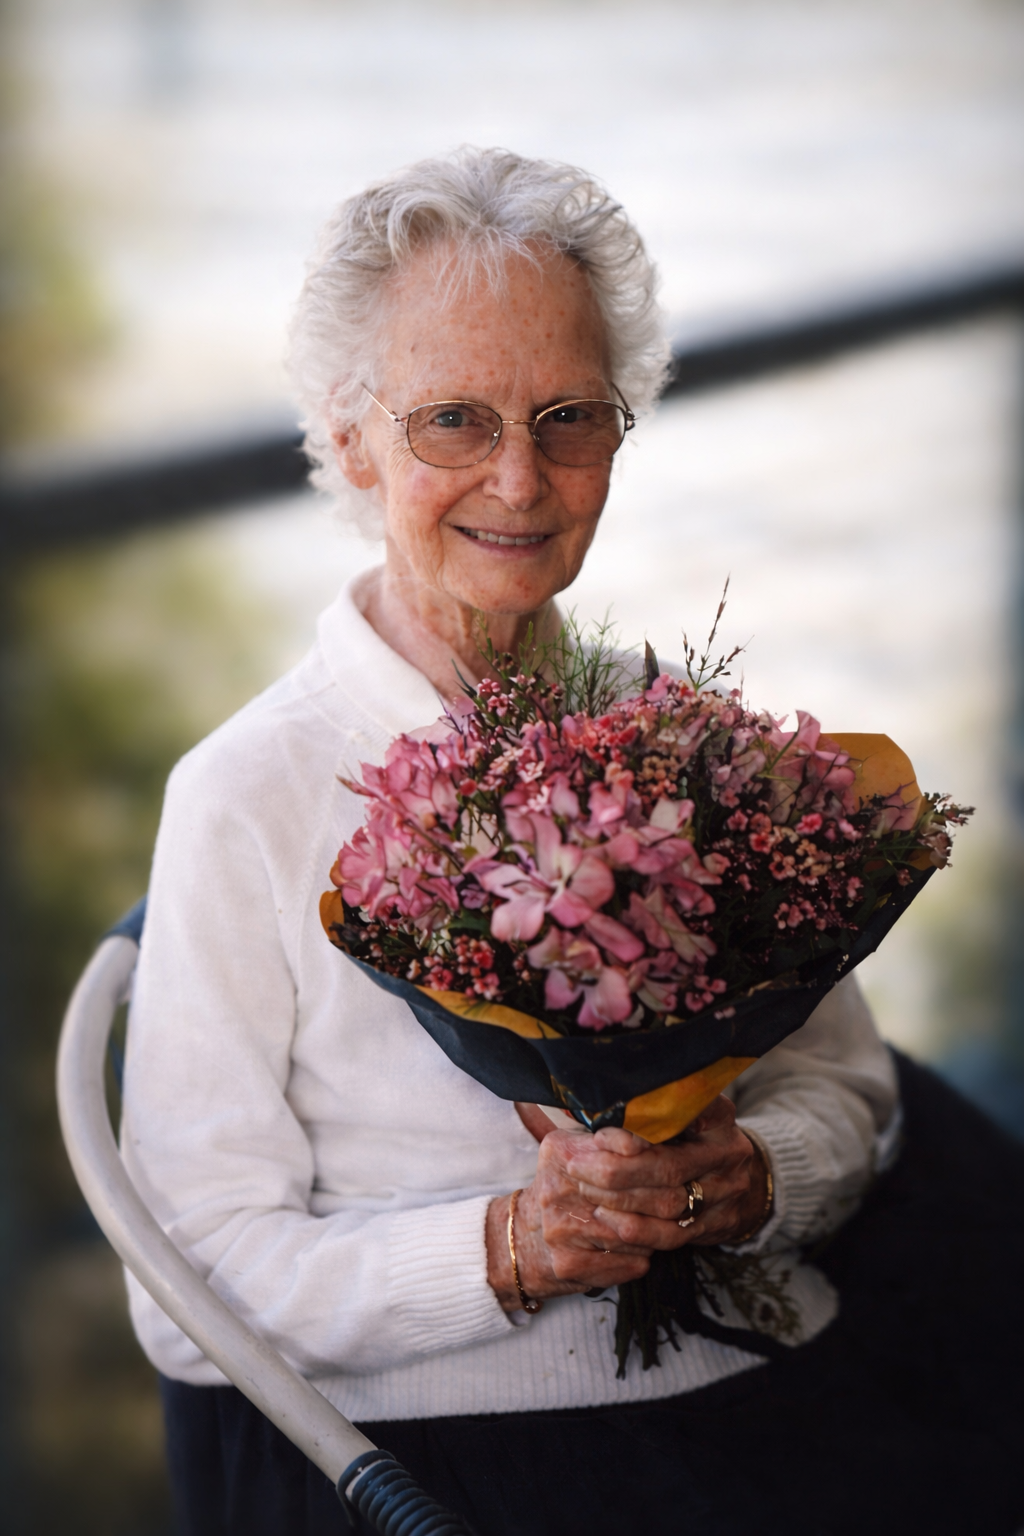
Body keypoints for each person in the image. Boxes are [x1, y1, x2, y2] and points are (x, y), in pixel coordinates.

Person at [122, 149, 1015, 1536]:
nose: (522, 480)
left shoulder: (692, 740)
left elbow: (855, 1092)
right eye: (454, 421)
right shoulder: (245, 794)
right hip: (464, 1469)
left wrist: (758, 1179)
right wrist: (503, 1250)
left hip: (781, 1394)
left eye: (570, 416)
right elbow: (188, 1289)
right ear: (350, 441)